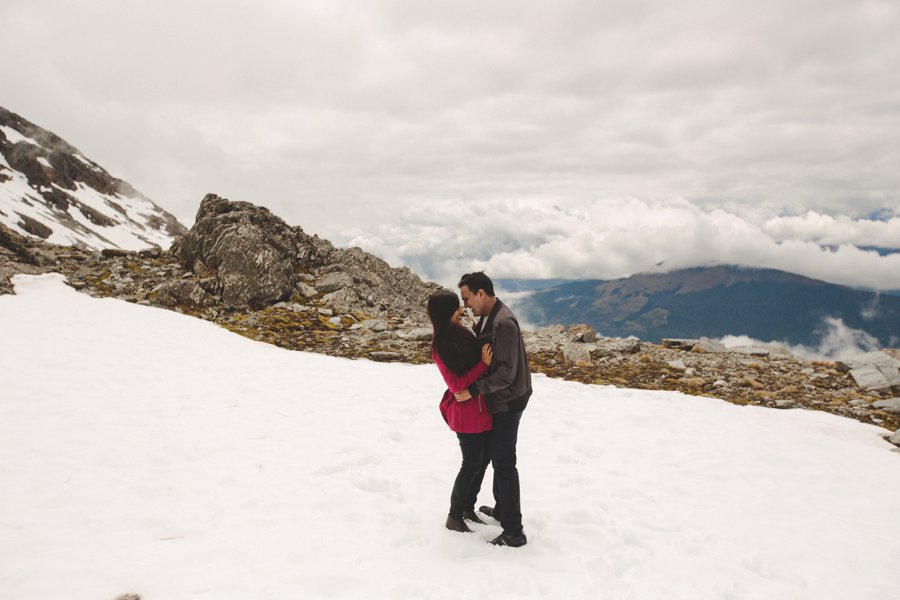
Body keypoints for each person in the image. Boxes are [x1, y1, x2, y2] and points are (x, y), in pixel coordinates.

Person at [455, 271, 532, 547]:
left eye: (467, 299)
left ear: (481, 294)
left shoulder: (504, 322)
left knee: (504, 463)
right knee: (500, 459)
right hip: (502, 399)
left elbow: (507, 374)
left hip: (508, 401)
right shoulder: (488, 316)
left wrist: (473, 390)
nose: (465, 305)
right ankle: (502, 511)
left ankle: (514, 532)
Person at [427, 290, 494, 533]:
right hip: (466, 415)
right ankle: (454, 516)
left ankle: (468, 508)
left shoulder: (459, 333)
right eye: (456, 308)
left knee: (482, 460)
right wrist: (482, 365)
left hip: (479, 410)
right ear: (445, 313)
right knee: (471, 464)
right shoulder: (441, 345)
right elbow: (456, 385)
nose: (460, 311)